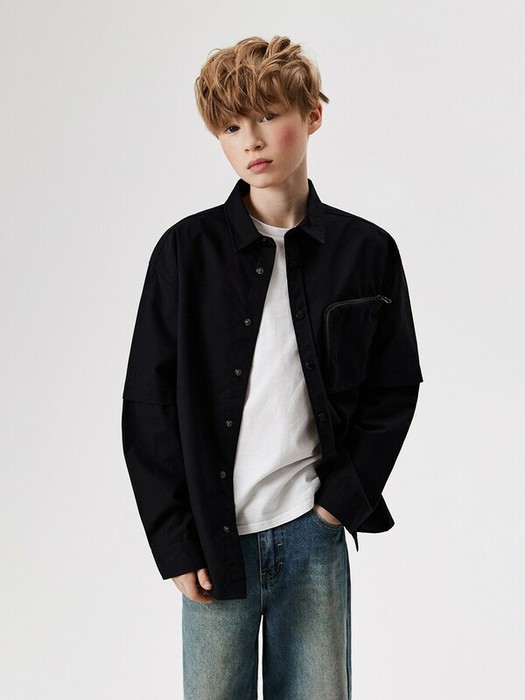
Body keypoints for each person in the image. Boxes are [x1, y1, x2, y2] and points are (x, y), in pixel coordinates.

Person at [121, 35, 423, 700]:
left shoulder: (366, 251)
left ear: (312, 115)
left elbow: (394, 385)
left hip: (312, 532)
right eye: (231, 127)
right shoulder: (185, 253)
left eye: (267, 116)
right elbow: (148, 406)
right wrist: (175, 543)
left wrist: (338, 504)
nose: (251, 140)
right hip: (213, 539)